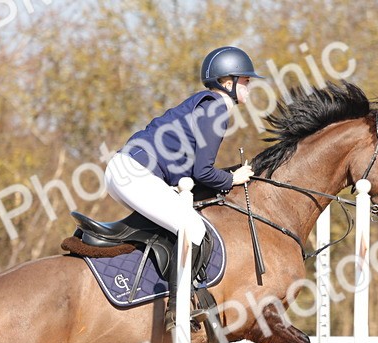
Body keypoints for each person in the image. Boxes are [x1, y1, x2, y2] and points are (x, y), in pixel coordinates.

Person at [104, 46, 264, 260]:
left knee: (171, 229)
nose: (249, 86)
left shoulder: (204, 104)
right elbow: (203, 172)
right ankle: (180, 295)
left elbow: (192, 171)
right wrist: (233, 178)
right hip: (135, 175)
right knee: (195, 230)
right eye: (246, 80)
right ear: (228, 82)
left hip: (126, 170)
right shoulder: (215, 107)